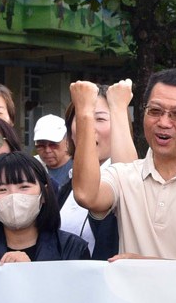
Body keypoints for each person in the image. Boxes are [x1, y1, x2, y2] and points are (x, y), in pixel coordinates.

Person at [68, 72, 176, 261]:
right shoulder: (124, 175)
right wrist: (84, 112)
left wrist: (145, 265)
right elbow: (86, 195)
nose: (163, 122)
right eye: (154, 111)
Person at [0, 153, 91, 264]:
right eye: (2, 190)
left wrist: (29, 271)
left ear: (44, 194)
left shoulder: (72, 248)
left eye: (24, 187)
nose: (14, 196)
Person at [57, 81, 133, 260]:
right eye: (82, 118)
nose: (88, 128)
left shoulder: (125, 176)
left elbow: (129, 178)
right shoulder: (64, 188)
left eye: (99, 119)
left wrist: (119, 107)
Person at [32, 113, 71, 188]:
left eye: (53, 145)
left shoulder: (79, 166)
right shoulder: (31, 166)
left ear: (67, 141)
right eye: (41, 145)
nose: (47, 150)